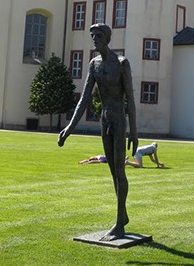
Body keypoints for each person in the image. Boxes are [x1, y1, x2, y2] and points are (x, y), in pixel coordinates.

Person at [58, 23, 138, 241]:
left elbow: (130, 98)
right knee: (113, 171)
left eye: (98, 35)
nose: (94, 39)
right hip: (105, 122)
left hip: (119, 122)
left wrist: (134, 132)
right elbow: (83, 99)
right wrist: (69, 128)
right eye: (92, 35)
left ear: (107, 38)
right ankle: (123, 217)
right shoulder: (94, 64)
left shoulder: (122, 64)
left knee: (120, 171)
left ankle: (120, 222)